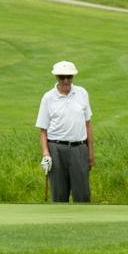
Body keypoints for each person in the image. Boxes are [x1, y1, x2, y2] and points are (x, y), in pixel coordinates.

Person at [36, 61, 94, 203]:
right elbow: (43, 130)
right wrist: (45, 153)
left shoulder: (82, 93)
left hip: (79, 148)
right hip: (56, 149)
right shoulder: (48, 98)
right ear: (57, 77)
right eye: (62, 77)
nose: (66, 80)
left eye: (69, 77)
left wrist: (91, 154)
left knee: (83, 195)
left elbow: (88, 125)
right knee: (59, 195)